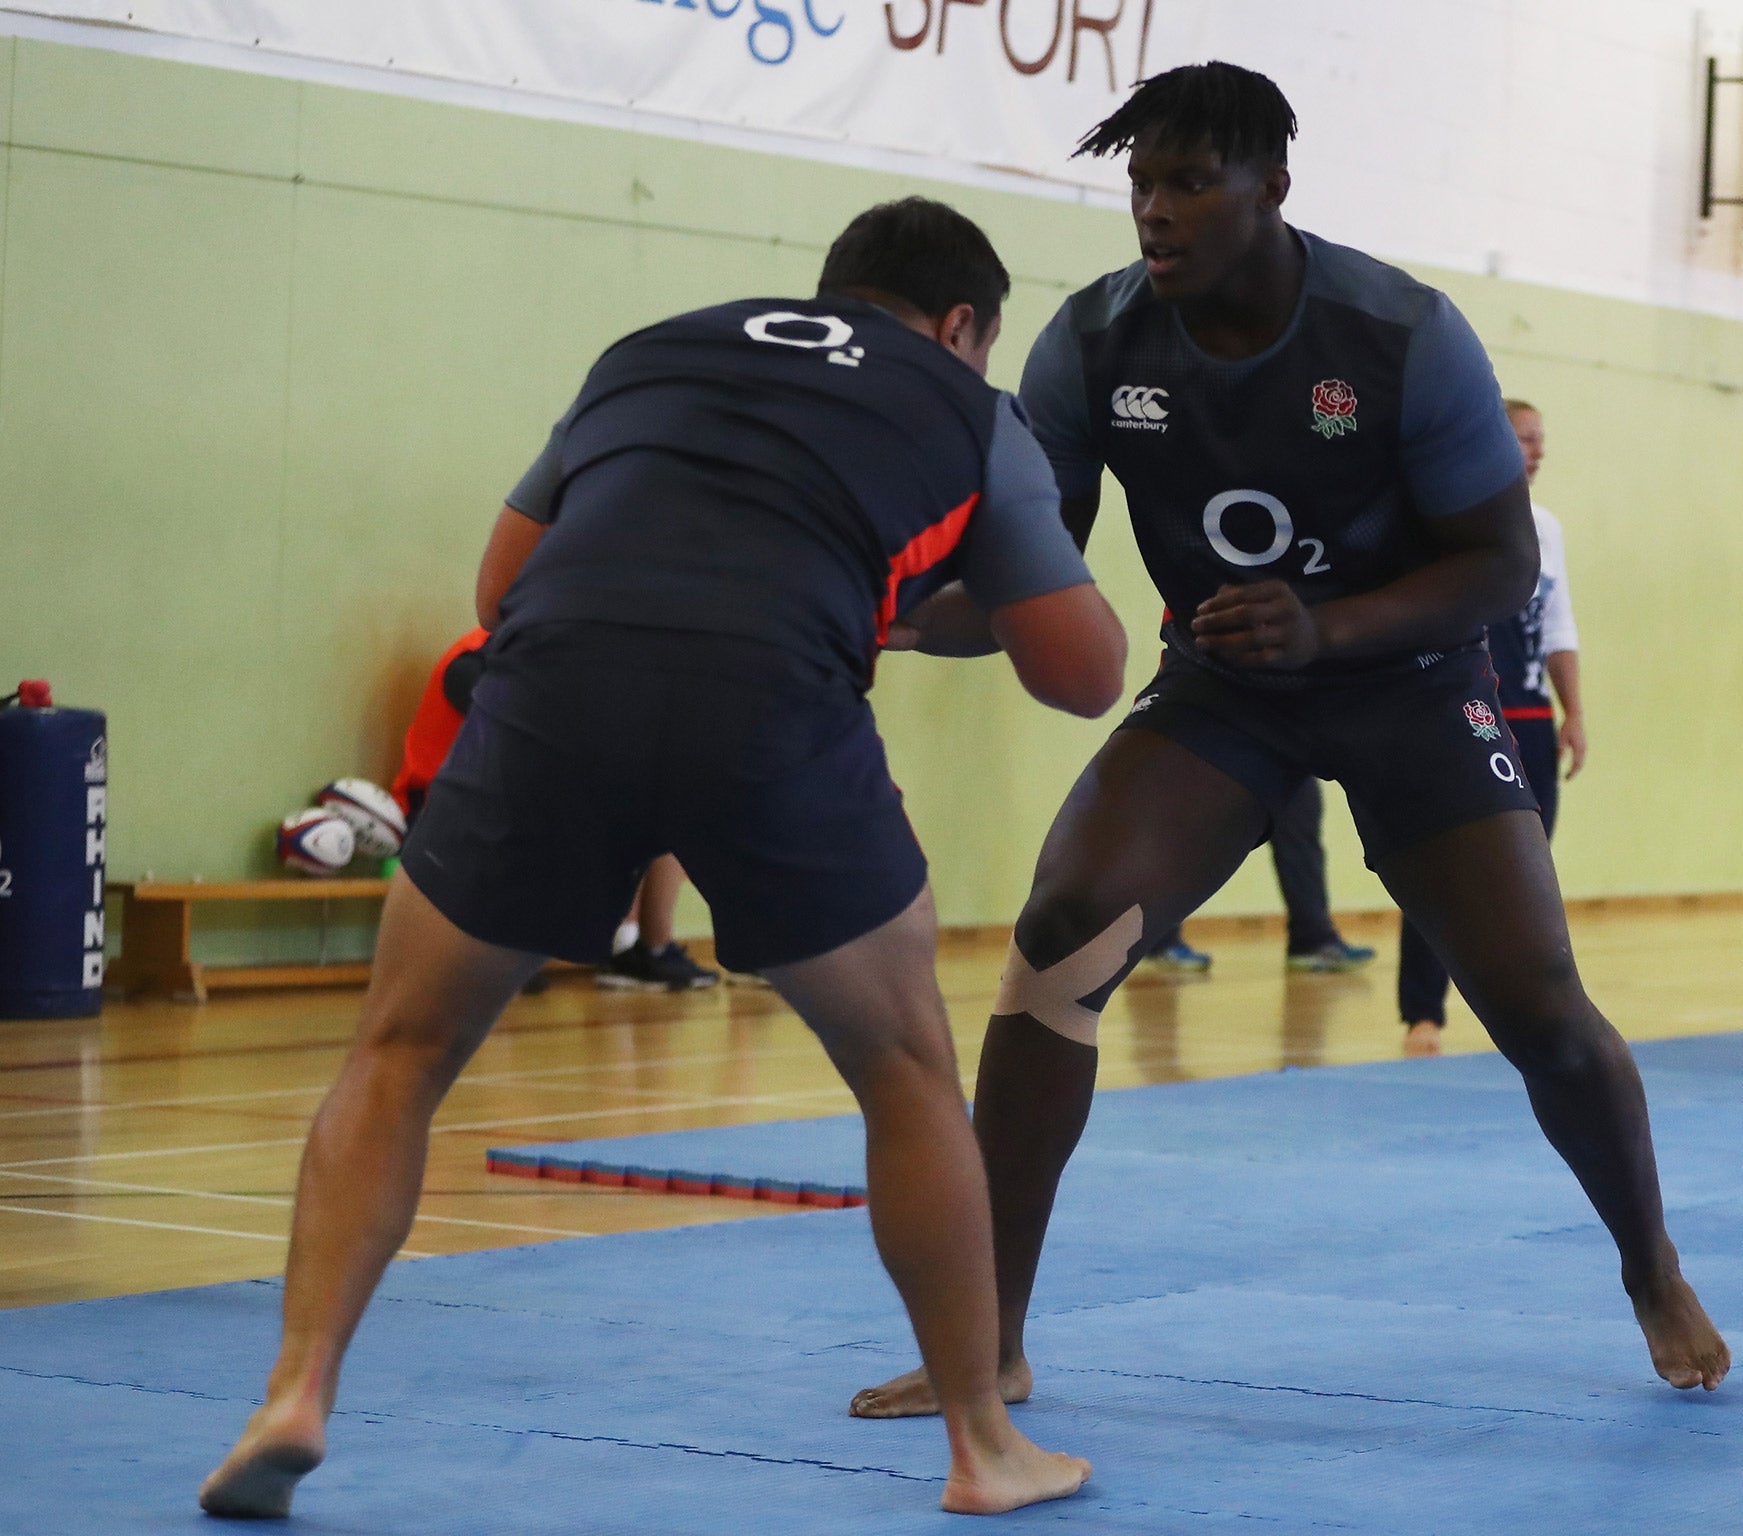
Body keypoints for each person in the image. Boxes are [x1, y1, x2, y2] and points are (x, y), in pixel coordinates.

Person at [199, 197, 1118, 1520]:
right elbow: (1082, 672)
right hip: (772, 695)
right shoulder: (971, 409)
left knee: (396, 1055)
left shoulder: (650, 351)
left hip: (554, 681)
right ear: (964, 325)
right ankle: (983, 1442)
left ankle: (293, 1392)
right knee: (905, 1068)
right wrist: (907, 608)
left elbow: (501, 588)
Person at [849, 64, 1727, 1423]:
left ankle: (1651, 1265)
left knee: (1540, 1009)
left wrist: (1332, 631)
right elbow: (1033, 579)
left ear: (1273, 190)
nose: (1156, 210)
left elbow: (1497, 568)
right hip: (1225, 689)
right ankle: (994, 1338)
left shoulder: (1403, 334)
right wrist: (881, 608)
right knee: (1061, 937)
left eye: (1191, 182)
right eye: (1141, 183)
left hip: (1412, 679)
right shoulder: (1090, 343)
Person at [1397, 399, 1581, 1054]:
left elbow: (1559, 626)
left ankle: (1535, 1009)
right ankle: (1424, 1011)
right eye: (1523, 439)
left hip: (1530, 716)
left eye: (1541, 441)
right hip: (1459, 714)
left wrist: (1574, 713)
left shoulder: (1546, 528)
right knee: (1441, 867)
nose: (1535, 452)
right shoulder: (1443, 515)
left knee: (1527, 871)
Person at [390, 629, 718, 991]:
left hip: (508, 807)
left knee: (663, 802)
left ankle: (642, 951)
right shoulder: (473, 660)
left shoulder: (563, 664)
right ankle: (493, 947)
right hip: (435, 814)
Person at [1142, 780, 1377, 972]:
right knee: (1188, 833)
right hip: (1219, 738)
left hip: (1289, 745)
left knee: (1300, 824)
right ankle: (1157, 940)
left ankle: (1313, 939)